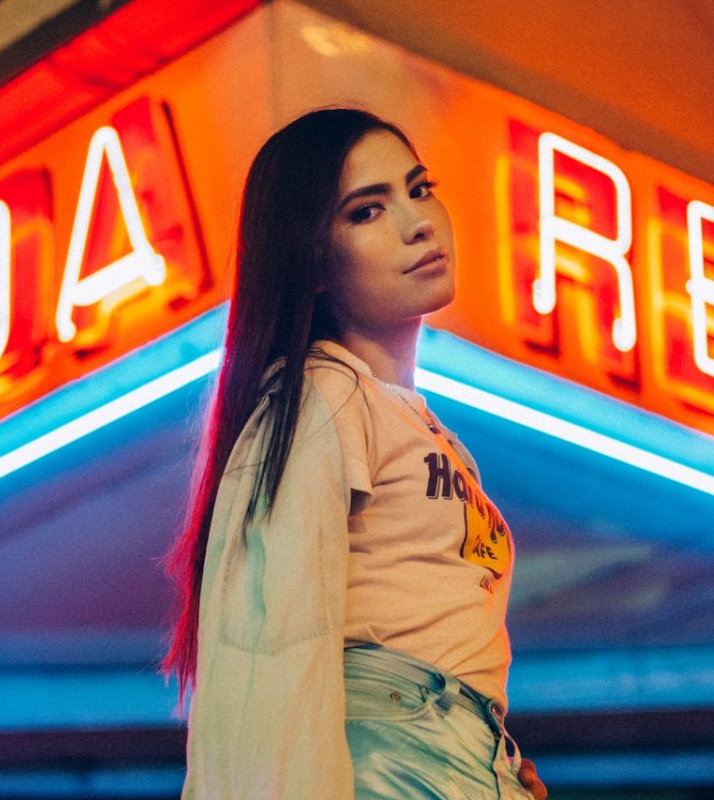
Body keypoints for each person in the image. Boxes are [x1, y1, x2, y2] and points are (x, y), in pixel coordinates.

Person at [164, 107, 547, 800]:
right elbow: (274, 643)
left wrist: (488, 756)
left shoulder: (427, 431)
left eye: (419, 188)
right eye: (367, 212)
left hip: (458, 757)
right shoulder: (320, 399)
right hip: (388, 757)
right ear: (310, 260)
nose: (419, 221)